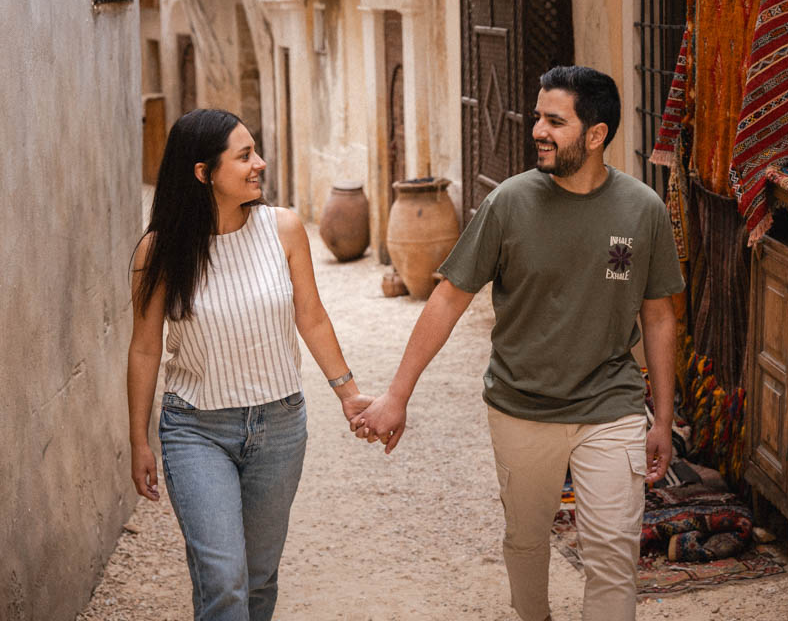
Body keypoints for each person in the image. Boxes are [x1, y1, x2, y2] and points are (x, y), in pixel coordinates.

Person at [353, 66, 684, 621]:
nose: (537, 131)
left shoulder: (642, 208)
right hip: (521, 406)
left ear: (596, 134)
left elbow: (658, 316)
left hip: (611, 404)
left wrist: (663, 419)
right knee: (527, 541)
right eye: (537, 117)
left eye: (555, 121)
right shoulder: (508, 203)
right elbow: (448, 299)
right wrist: (396, 395)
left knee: (614, 557)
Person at [126, 108, 372, 621]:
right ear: (203, 173)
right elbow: (145, 348)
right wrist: (139, 441)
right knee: (223, 580)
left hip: (280, 427)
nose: (259, 163)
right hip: (196, 429)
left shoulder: (283, 229)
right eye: (244, 156)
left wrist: (349, 395)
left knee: (258, 579)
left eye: (255, 151)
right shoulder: (159, 251)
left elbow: (312, 317)